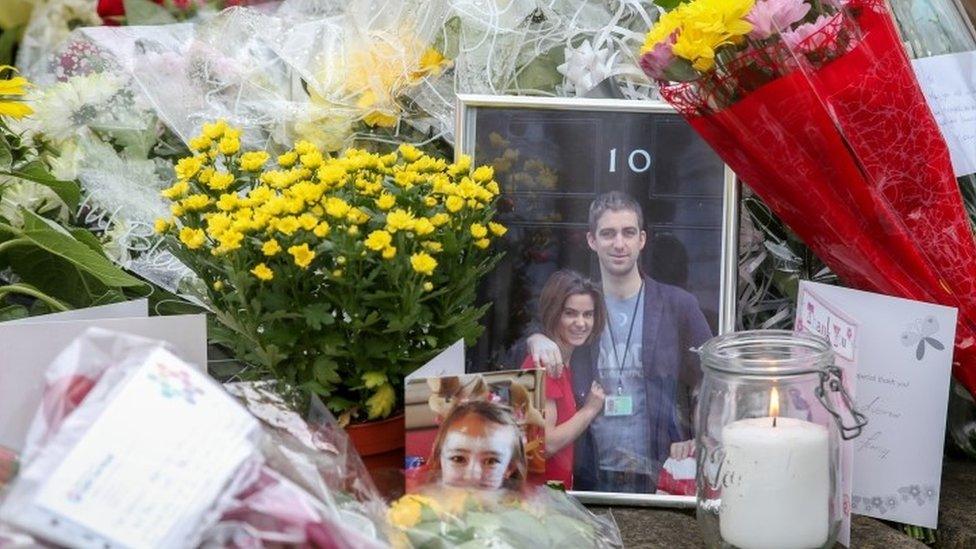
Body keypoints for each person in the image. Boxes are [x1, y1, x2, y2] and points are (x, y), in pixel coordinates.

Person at [526, 191, 712, 493]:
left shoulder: (678, 305)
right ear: (592, 241)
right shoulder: (579, 306)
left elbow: (710, 379)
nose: (619, 243)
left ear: (642, 239)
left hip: (660, 473)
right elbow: (523, 336)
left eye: (628, 233)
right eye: (608, 233)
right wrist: (536, 338)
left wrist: (699, 436)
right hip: (587, 471)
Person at [520, 269, 608, 489]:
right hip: (539, 500)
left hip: (556, 495)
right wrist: (589, 409)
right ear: (554, 313)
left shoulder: (567, 363)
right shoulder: (542, 364)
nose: (581, 323)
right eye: (570, 313)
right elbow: (545, 444)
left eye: (588, 314)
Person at [426, 400, 527, 491]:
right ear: (440, 461)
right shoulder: (421, 506)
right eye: (458, 459)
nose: (472, 476)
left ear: (509, 468)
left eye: (491, 461)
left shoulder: (522, 509)